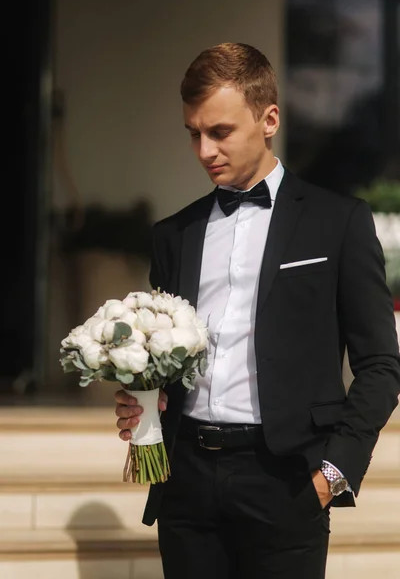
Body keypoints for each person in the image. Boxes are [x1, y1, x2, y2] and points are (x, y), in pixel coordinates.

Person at [114, 43, 400, 579]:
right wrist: (143, 402)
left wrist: (333, 474)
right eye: (193, 133)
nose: (204, 150)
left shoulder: (338, 223)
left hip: (288, 481)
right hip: (186, 481)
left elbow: (381, 366)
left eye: (219, 131)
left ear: (269, 119)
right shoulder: (173, 234)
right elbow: (162, 360)